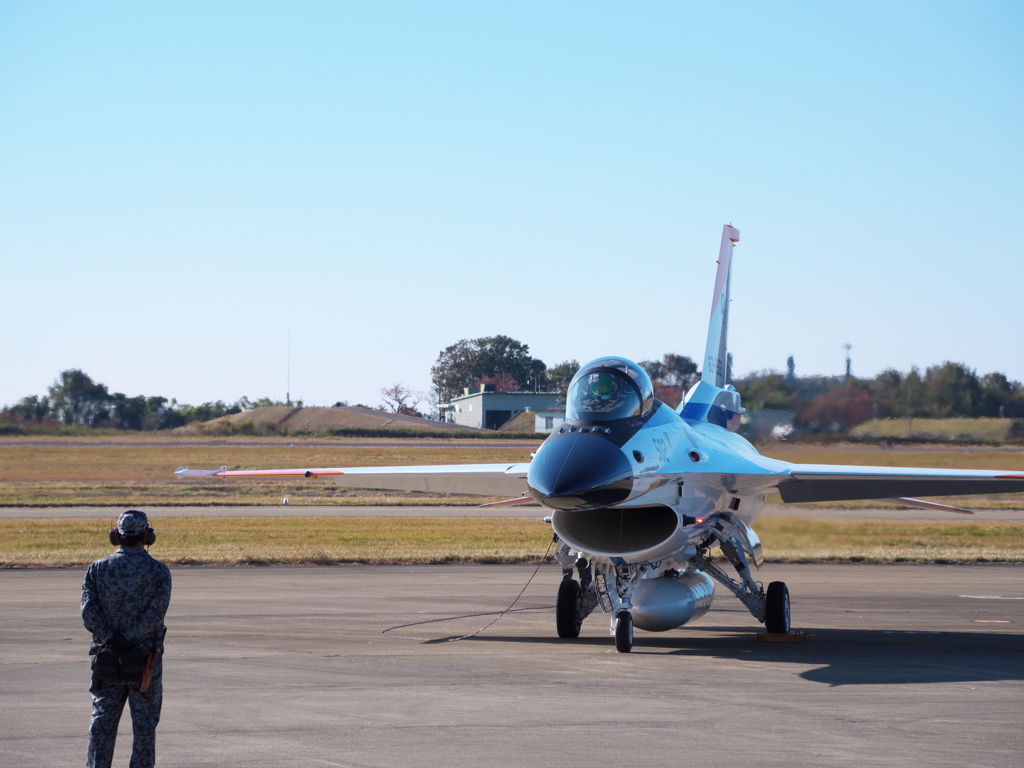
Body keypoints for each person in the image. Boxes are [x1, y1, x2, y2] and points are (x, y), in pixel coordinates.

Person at [82, 509, 171, 768]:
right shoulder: (159, 572)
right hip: (144, 663)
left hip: (107, 659)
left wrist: (112, 638)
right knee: (144, 727)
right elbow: (156, 615)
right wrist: (130, 638)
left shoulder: (97, 570)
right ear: (147, 536)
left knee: (101, 724)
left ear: (116, 537)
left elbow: (88, 613)